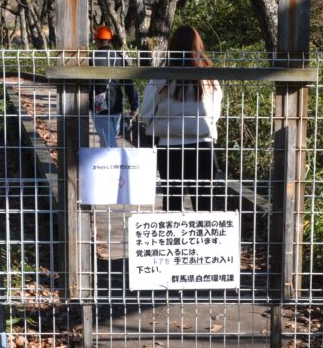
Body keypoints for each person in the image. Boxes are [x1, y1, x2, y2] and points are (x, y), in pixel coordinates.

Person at [139, 25, 223, 212]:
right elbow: (215, 114)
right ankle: (202, 239)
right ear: (198, 47)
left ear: (172, 47)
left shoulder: (160, 78)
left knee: (172, 200)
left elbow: (145, 112)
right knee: (204, 201)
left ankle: (175, 240)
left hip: (169, 146)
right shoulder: (210, 78)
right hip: (203, 145)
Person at [90, 25, 138, 148]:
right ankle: (108, 163)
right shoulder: (119, 57)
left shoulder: (91, 58)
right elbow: (128, 84)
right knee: (110, 137)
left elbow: (87, 84)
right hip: (116, 104)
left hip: (98, 104)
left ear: (96, 40)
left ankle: (113, 164)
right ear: (109, 40)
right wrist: (134, 105)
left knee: (108, 140)